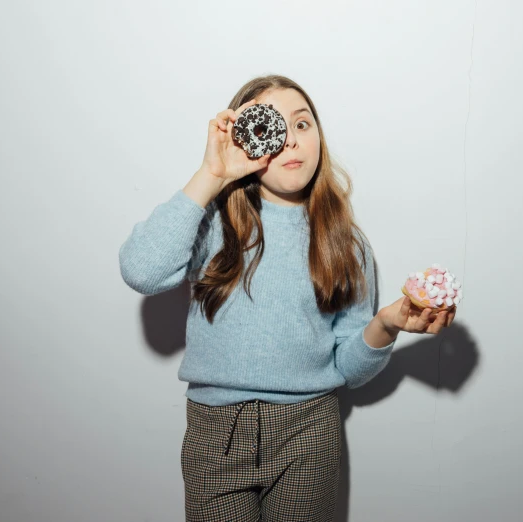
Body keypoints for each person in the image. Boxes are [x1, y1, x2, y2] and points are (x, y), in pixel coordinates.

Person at [118, 74, 456, 522]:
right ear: (245, 140)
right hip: (216, 429)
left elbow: (348, 370)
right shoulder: (212, 224)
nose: (292, 141)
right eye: (271, 126)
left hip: (309, 430)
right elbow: (141, 271)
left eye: (302, 124)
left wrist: (386, 323)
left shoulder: (345, 244)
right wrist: (210, 175)